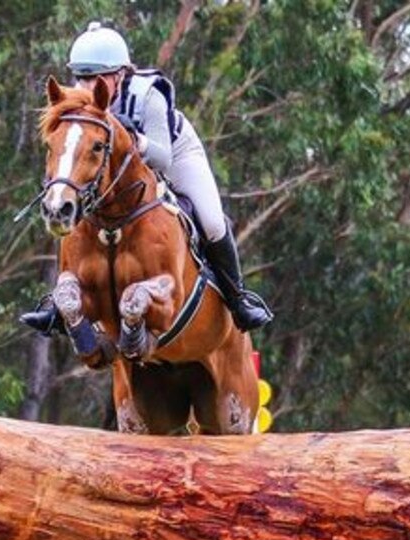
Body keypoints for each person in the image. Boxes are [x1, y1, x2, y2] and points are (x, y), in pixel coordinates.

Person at [23, 21, 272, 335]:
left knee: (210, 221)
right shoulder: (77, 106)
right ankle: (57, 308)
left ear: (120, 74)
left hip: (172, 151)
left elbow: (160, 157)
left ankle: (238, 299)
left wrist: (133, 139)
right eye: (81, 76)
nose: (86, 86)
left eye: (95, 78)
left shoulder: (147, 95)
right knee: (71, 213)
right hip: (121, 171)